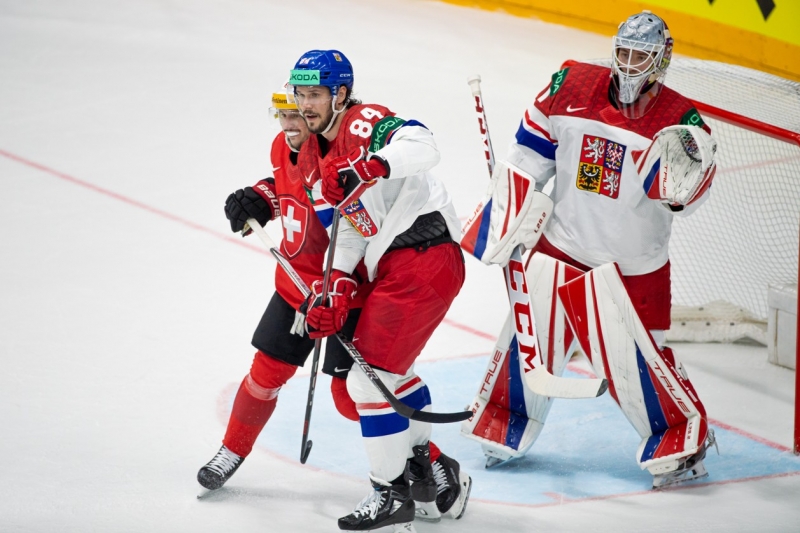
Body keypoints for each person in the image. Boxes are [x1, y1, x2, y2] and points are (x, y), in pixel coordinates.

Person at [460, 11, 718, 489]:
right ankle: (505, 417)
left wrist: (687, 184)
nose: (628, 64)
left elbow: (689, 195)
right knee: (527, 341)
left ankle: (682, 441)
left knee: (643, 363)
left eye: (640, 56)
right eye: (623, 52)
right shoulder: (571, 84)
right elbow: (528, 156)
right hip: (562, 246)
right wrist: (503, 219)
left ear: (661, 61)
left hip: (633, 267)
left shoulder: (680, 121)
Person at [197, 84, 467, 522]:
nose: (291, 123)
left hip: (351, 290)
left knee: (354, 394)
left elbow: (350, 220)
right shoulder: (292, 149)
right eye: (282, 114)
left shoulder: (339, 152)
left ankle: (427, 459)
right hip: (298, 284)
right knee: (266, 372)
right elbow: (291, 187)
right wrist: (262, 197)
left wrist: (337, 287)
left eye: (300, 115)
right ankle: (231, 450)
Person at [290, 49, 471, 531]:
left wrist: (374, 166)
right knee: (389, 377)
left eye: (315, 94)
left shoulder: (363, 122)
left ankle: (390, 496)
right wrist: (338, 283)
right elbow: (351, 225)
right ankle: (429, 467)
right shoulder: (312, 155)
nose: (305, 105)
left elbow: (424, 143)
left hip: (426, 255)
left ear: (341, 94)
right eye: (300, 94)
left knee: (365, 382)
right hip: (392, 264)